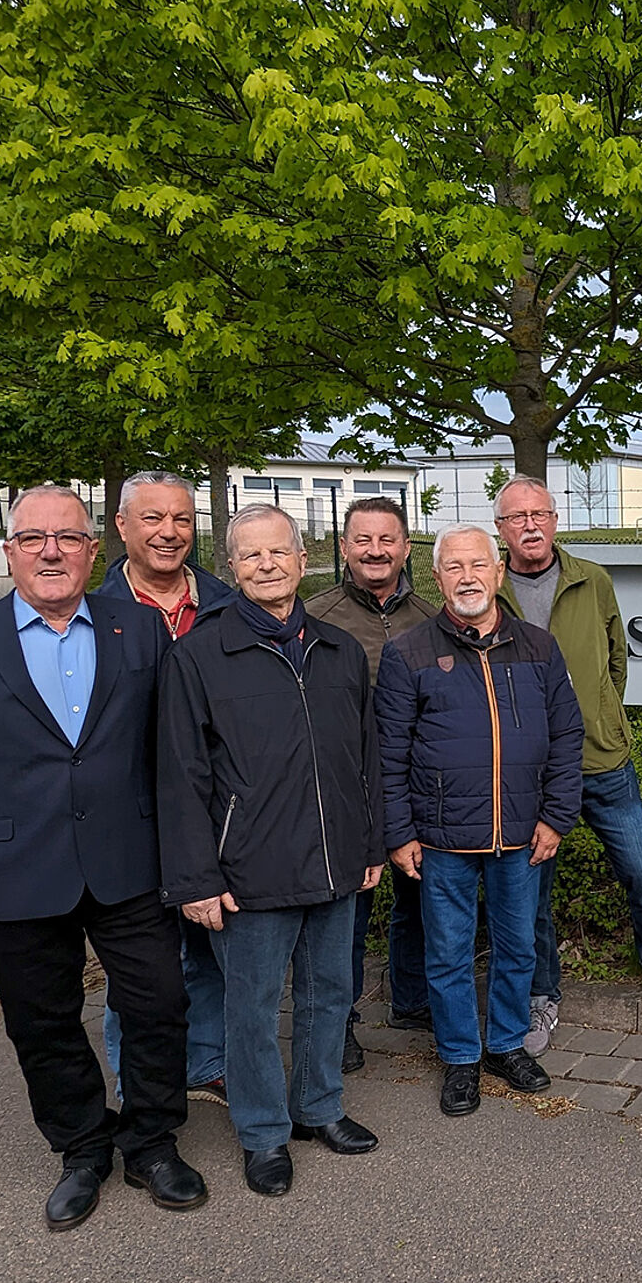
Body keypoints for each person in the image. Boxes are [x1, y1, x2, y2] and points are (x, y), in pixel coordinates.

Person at [0, 484, 206, 1231]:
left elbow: (177, 753)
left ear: (96, 549)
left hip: (130, 862)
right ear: (10, 551)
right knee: (42, 1021)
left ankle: (152, 1141)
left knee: (161, 1004)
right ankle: (83, 1147)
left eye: (68, 538)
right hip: (13, 872)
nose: (52, 552)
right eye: (34, 539)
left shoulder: (141, 629)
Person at [157, 504, 382, 1197]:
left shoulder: (340, 649)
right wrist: (195, 876)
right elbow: (180, 772)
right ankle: (262, 1134)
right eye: (250, 556)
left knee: (329, 993)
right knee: (251, 1007)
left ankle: (319, 1109)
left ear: (305, 557)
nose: (266, 565)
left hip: (335, 859)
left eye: (278, 552)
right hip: (246, 868)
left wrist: (369, 840)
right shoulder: (198, 654)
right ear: (231, 568)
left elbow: (365, 758)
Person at [376, 524, 584, 1117]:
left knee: (518, 947)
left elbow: (568, 738)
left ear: (498, 573)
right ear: (436, 578)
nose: (467, 577)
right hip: (442, 840)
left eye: (478, 565)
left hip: (522, 835)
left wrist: (556, 816)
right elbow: (389, 753)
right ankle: (462, 1058)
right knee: (446, 953)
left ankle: (506, 1044)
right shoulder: (408, 653)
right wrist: (400, 832)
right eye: (453, 567)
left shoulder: (539, 648)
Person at [493, 475, 642, 1057]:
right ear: (500, 529)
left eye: (540, 514)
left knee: (641, 871)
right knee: (530, 893)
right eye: (516, 517)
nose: (530, 525)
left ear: (555, 520)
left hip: (601, 759)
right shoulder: (490, 585)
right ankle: (541, 994)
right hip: (524, 770)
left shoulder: (592, 580)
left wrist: (601, 714)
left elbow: (615, 659)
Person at [96, 470, 236, 1106]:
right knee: (140, 963)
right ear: (122, 527)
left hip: (215, 811)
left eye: (181, 519)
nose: (168, 532)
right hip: (130, 814)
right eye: (152, 518)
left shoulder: (225, 605)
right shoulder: (90, 613)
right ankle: (138, 1083)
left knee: (211, 946)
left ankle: (205, 1060)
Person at [306, 496, 438, 1072]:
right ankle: (341, 1021)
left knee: (419, 901)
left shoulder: (432, 620)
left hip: (418, 786)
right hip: (347, 787)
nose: (376, 551)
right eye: (363, 540)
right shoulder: (315, 616)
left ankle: (411, 1000)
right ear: (344, 548)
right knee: (349, 913)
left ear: (406, 548)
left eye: (387, 540)